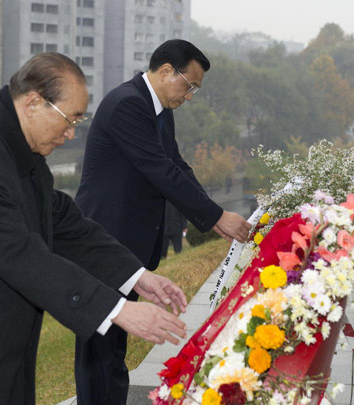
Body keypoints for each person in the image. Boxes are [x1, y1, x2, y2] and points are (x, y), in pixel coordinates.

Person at [0, 53, 188, 404]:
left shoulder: (13, 144)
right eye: (69, 119)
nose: (70, 134)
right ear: (33, 102)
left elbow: (59, 218)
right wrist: (119, 310)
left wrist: (136, 276)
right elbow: (20, 254)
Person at [74, 39, 251, 404]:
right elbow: (159, 172)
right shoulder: (128, 105)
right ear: (166, 70)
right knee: (99, 350)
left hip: (127, 246)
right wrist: (216, 215)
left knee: (114, 348)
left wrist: (212, 216)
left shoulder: (157, 109)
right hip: (105, 242)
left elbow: (177, 167)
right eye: (190, 85)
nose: (190, 96)